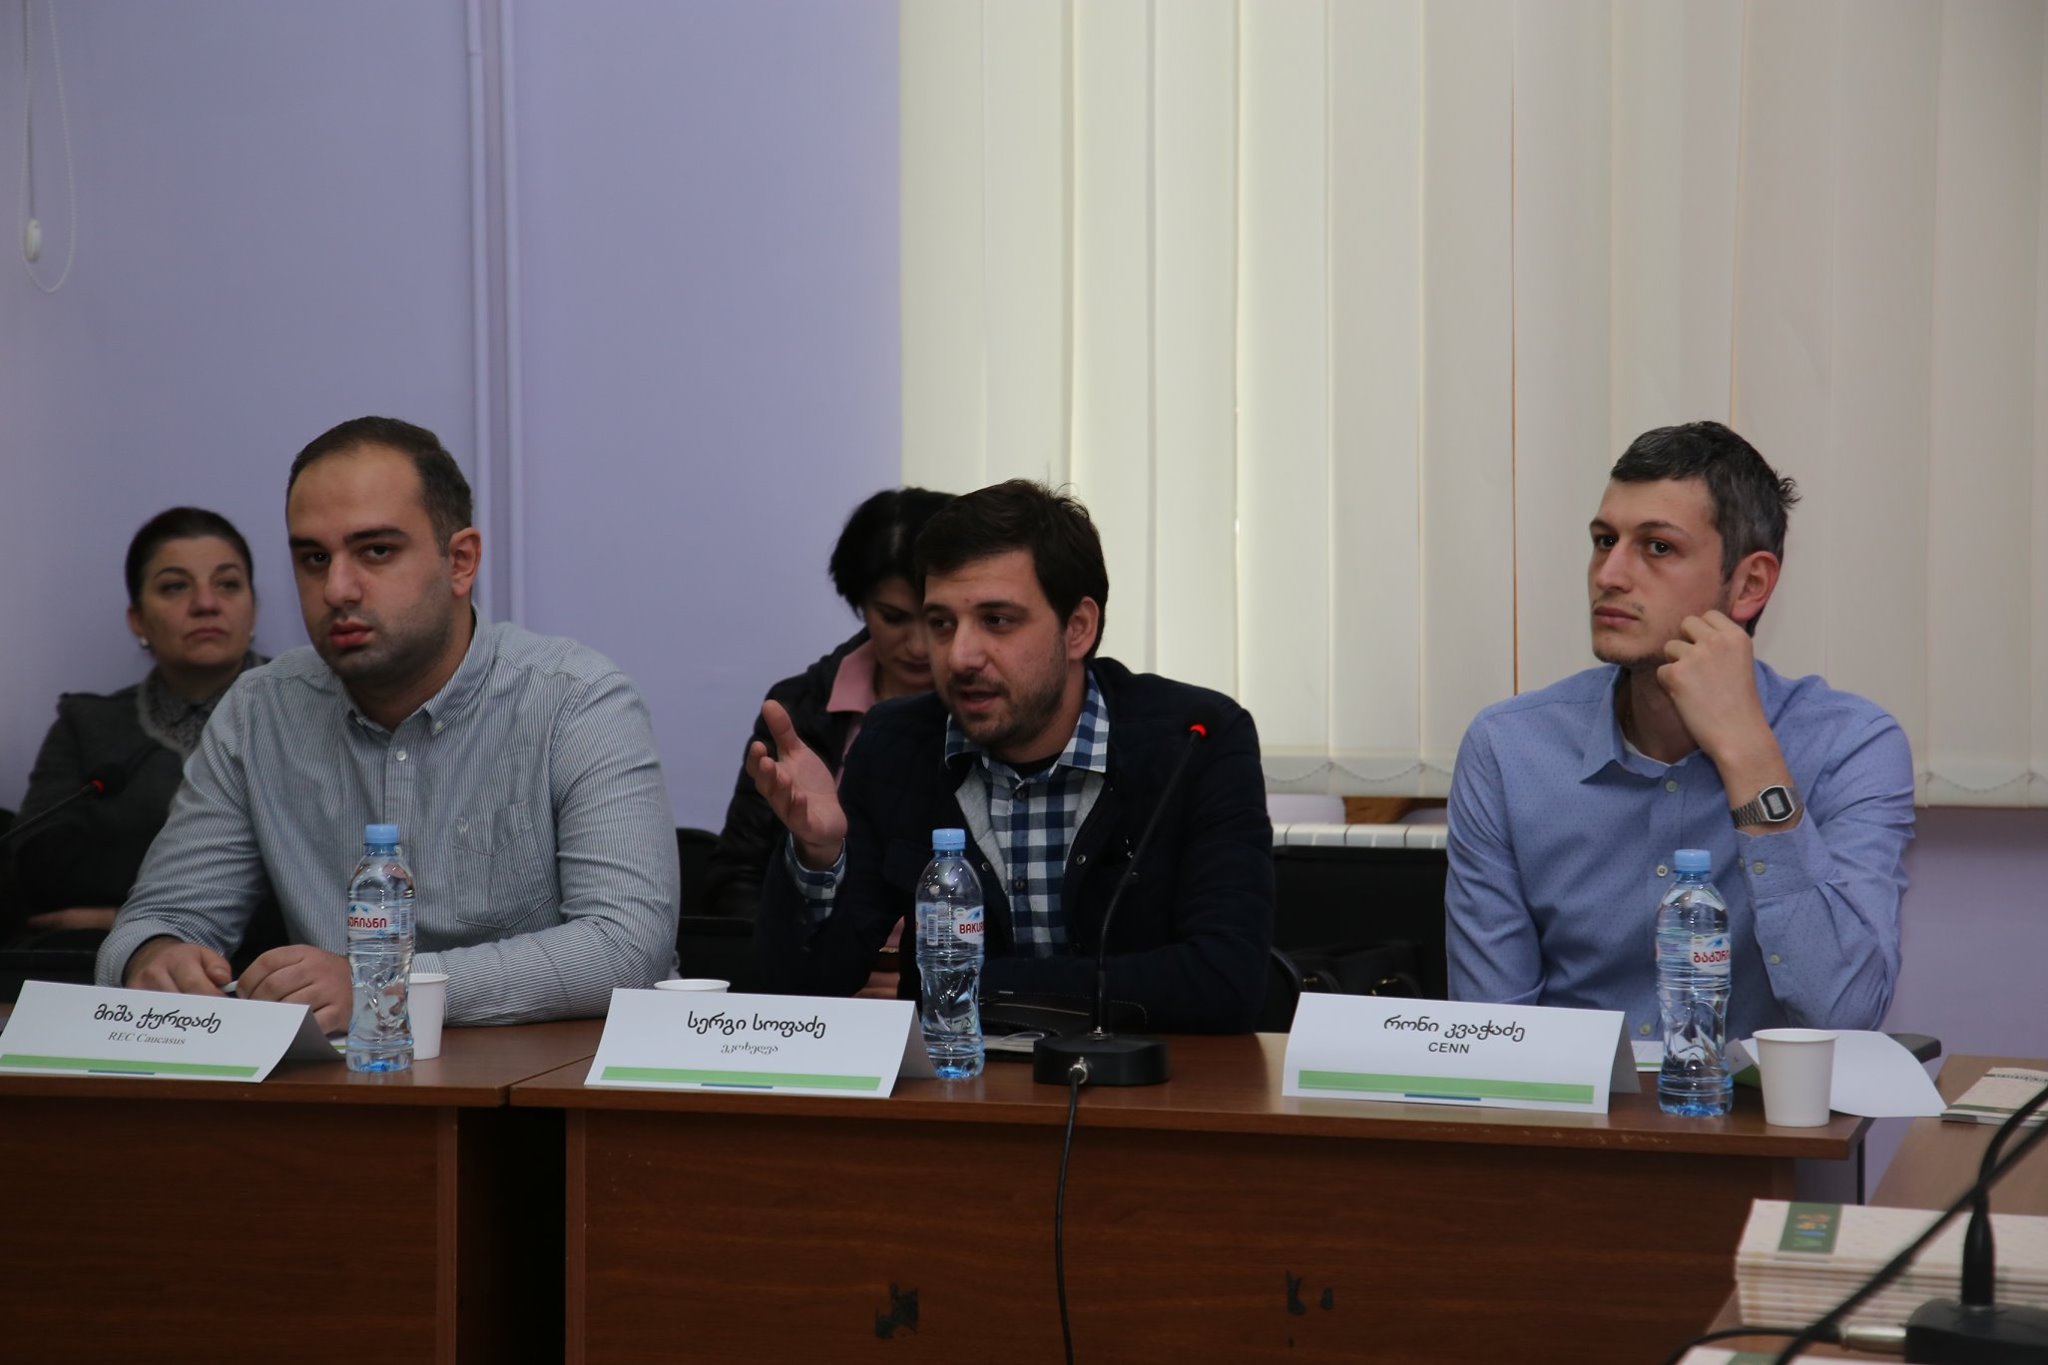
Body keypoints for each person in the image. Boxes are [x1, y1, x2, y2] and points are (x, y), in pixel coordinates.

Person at [96, 416, 679, 1028]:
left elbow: (626, 946)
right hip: (345, 1079)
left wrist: (383, 986)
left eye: (376, 551)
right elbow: (159, 918)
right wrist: (155, 957)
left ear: (460, 562)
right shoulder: (258, 713)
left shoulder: (575, 700)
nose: (337, 588)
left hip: (546, 1075)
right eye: (314, 558)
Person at [747, 479, 1274, 1033]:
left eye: (996, 621)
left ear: (1078, 628)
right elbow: (791, 1000)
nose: (960, 656)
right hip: (959, 1079)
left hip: (1149, 1080)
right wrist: (819, 856)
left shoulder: (1196, 739)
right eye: (942, 623)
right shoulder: (895, 745)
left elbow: (1225, 980)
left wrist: (963, 986)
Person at [1445, 421, 1914, 1040]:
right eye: (1604, 540)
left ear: (1749, 584)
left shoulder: (1850, 746)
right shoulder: (1508, 749)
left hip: (1754, 1107)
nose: (1610, 574)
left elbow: (1845, 1013)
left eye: (1658, 547)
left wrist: (1747, 750)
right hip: (1574, 1104)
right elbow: (1488, 1035)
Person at [6, 508, 279, 961]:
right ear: (137, 619)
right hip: (123, 975)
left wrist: (125, 919)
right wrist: (152, 929)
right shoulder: (88, 724)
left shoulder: (306, 713)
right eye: (175, 586)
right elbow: (39, 861)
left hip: (272, 967)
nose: (206, 603)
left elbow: (315, 880)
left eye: (228, 584)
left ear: (253, 607)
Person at [701, 486, 953, 918]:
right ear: (860, 604)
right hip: (821, 957)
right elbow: (737, 879)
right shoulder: (800, 706)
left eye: (937, 620)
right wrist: (797, 949)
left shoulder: (994, 707)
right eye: (893, 618)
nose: (917, 645)